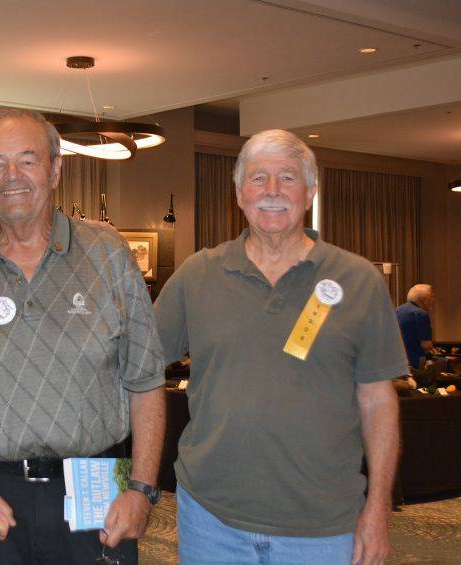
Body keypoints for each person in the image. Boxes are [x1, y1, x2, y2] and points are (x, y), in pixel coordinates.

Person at [155, 130, 408, 565]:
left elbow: (378, 402)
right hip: (211, 520)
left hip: (323, 526)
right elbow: (136, 366)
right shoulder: (197, 275)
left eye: (287, 178)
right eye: (258, 179)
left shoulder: (358, 279)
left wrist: (378, 509)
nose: (272, 192)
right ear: (239, 194)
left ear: (309, 192)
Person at [0, 108, 165, 564]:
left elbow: (146, 382)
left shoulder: (108, 255)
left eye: (27, 160)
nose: (11, 176)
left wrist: (141, 490)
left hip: (97, 490)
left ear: (56, 168)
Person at [396, 284, 437, 370]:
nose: (433, 301)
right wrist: (432, 347)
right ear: (424, 300)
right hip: (414, 364)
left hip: (395, 363)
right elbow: (426, 345)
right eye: (432, 297)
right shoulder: (421, 314)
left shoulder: (396, 310)